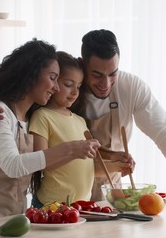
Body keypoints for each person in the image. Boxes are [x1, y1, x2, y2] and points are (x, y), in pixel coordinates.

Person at [0, 30, 166, 208]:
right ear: (82, 65)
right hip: (58, 200)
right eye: (96, 75)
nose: (105, 84)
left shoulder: (130, 87)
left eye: (112, 74)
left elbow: (164, 132)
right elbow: (18, 105)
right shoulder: (60, 88)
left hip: (109, 197)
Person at [0, 39, 100, 224]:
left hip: (12, 218)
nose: (56, 87)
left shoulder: (30, 117)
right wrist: (71, 149)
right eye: (52, 78)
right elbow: (12, 165)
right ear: (32, 74)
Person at [29, 51, 133, 208]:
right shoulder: (42, 117)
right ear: (54, 83)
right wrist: (73, 151)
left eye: (78, 86)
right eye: (68, 85)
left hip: (81, 206)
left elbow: (87, 167)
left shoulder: (79, 121)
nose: (75, 92)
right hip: (50, 205)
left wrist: (118, 165)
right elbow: (42, 162)